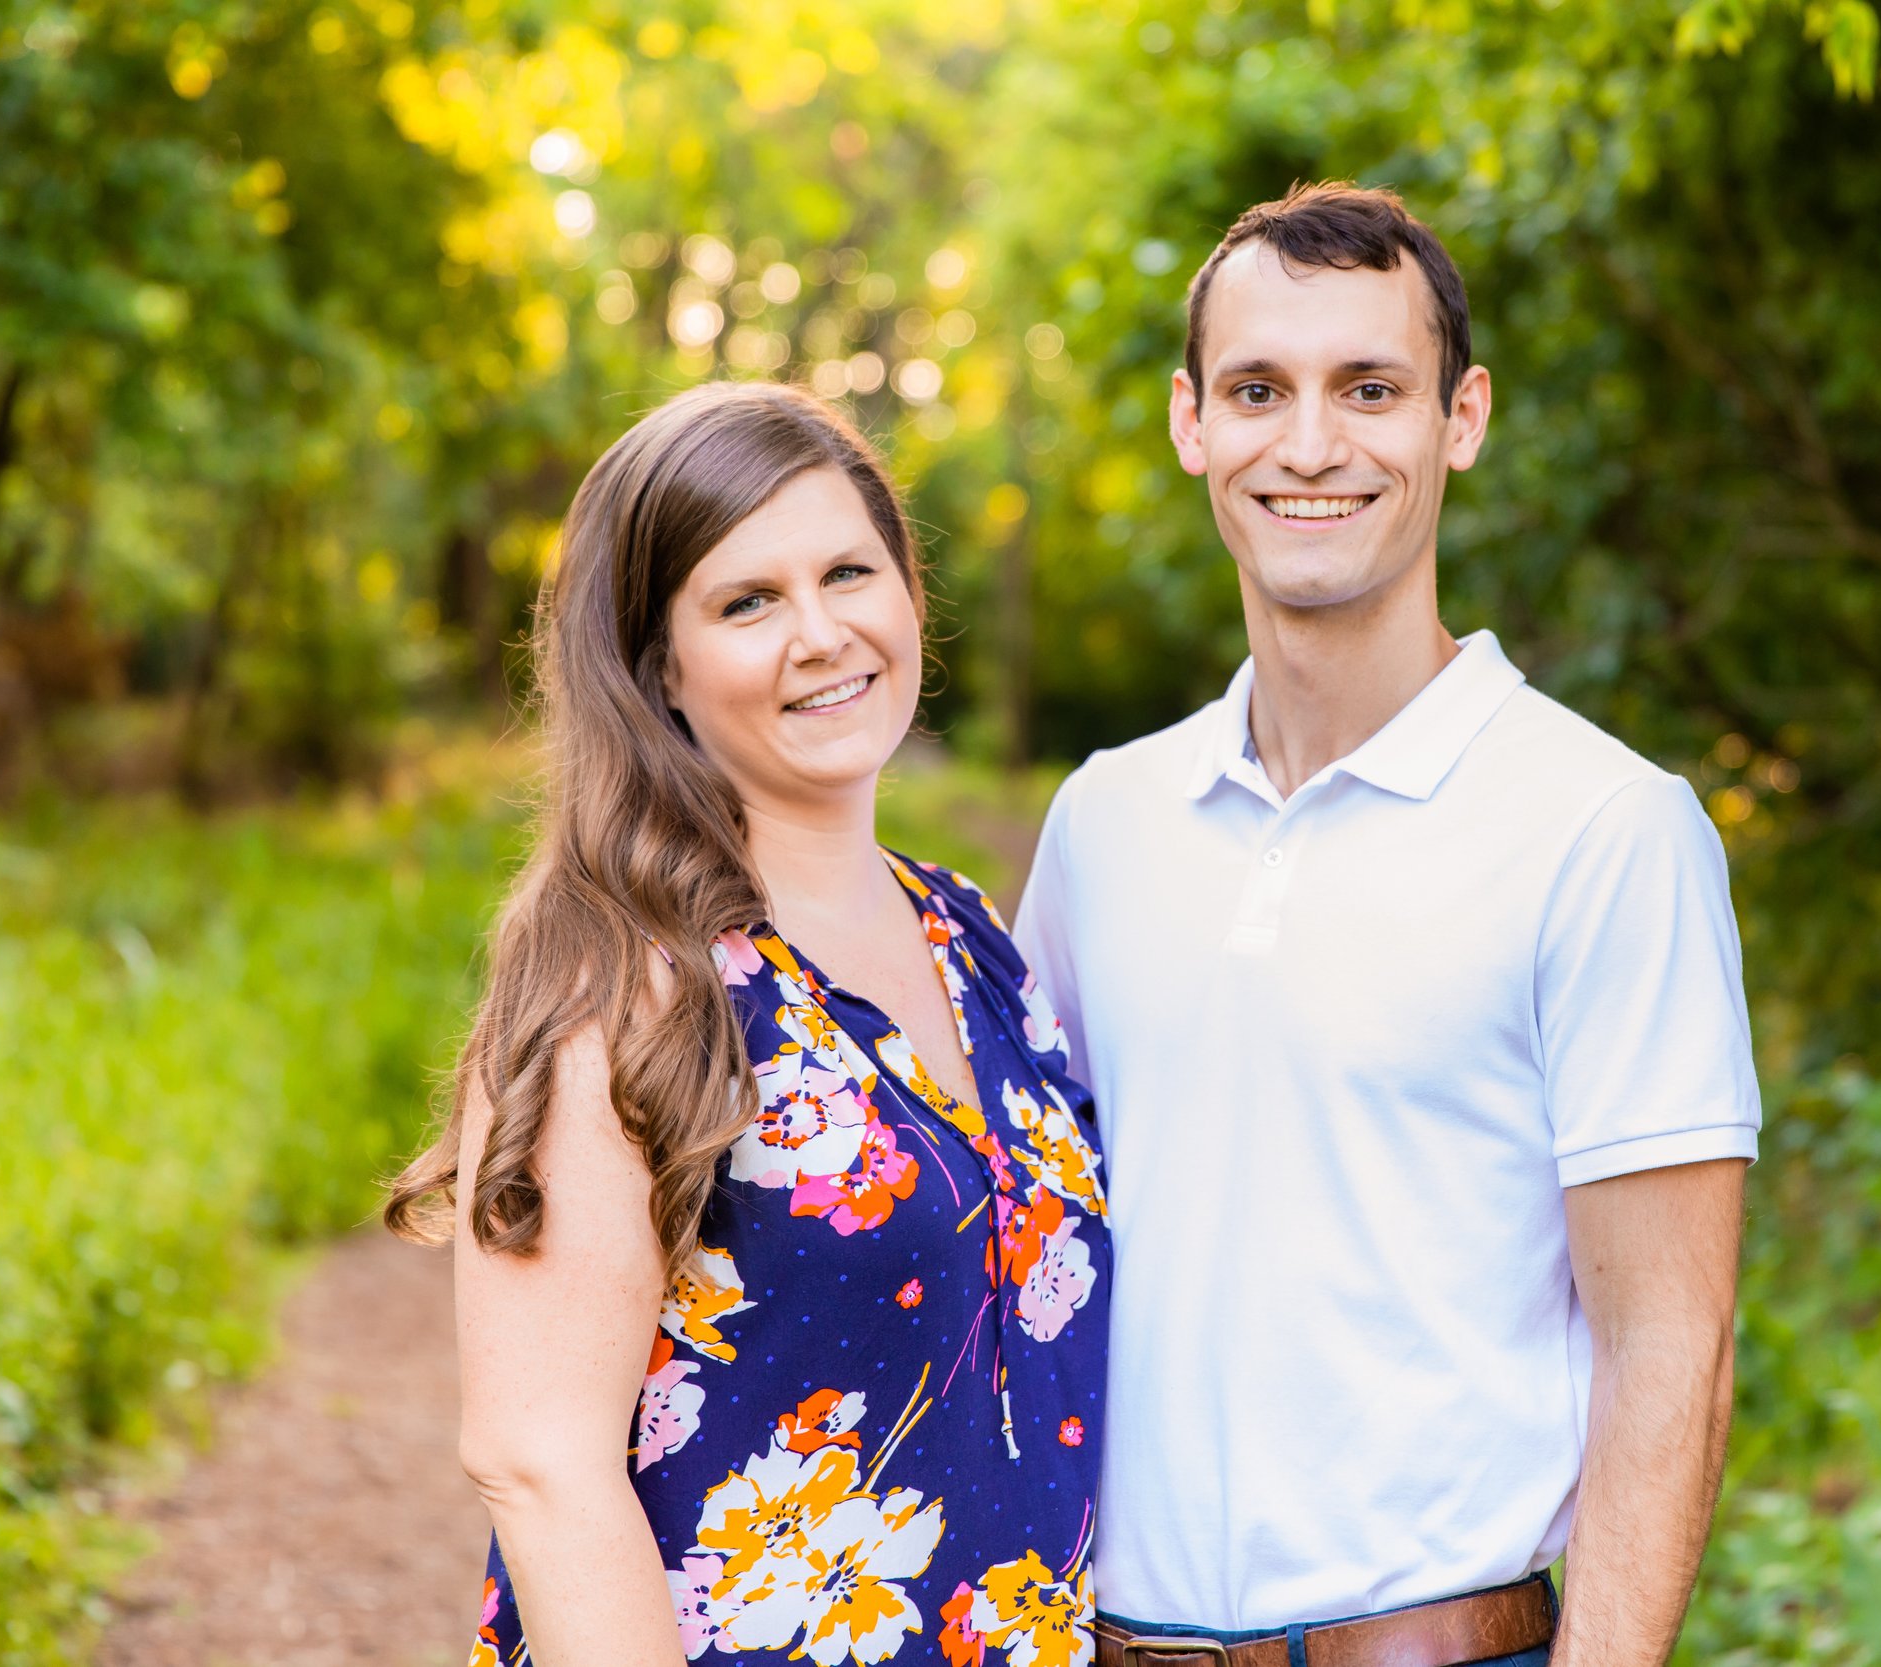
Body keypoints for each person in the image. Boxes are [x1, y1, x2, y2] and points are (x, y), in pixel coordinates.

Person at [1014, 184, 1758, 1667]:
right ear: (1191, 424)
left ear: (1460, 417)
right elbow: (1011, 1239)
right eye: (1257, 391)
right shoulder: (1105, 823)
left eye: (1371, 388)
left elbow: (1671, 1352)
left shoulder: (1606, 828)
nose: (1309, 445)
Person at [387, 381, 1112, 1667]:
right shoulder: (629, 983)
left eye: (848, 571)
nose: (822, 632)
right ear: (658, 662)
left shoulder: (973, 939)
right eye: (748, 601)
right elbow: (538, 1463)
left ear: (908, 594)